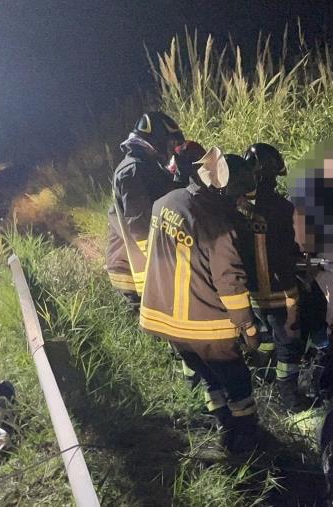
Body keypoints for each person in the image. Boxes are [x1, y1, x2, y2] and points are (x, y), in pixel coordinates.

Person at [140, 145, 261, 453]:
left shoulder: (164, 203)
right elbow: (230, 282)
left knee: (209, 377)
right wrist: (248, 328)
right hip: (205, 325)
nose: (240, 204)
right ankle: (246, 441)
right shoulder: (218, 224)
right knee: (237, 382)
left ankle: (223, 426)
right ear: (223, 193)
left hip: (166, 322)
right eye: (238, 197)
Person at [238, 143, 308, 411]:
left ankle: (262, 378)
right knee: (288, 344)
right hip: (278, 291)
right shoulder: (281, 207)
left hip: (248, 292)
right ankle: (289, 399)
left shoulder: (238, 206)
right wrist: (293, 296)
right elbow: (283, 254)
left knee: (264, 338)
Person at [106, 112, 184, 308]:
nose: (172, 151)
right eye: (171, 144)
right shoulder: (133, 170)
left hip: (140, 266)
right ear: (158, 139)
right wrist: (162, 265)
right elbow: (140, 226)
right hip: (135, 271)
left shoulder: (146, 167)